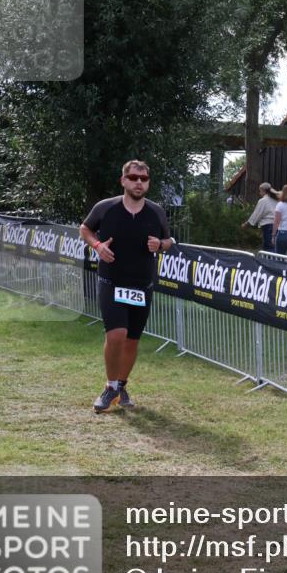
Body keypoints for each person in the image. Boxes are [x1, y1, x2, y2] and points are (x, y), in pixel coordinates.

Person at [80, 160, 172, 413]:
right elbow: (85, 228)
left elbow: (169, 239)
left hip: (142, 284)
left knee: (132, 340)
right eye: (133, 177)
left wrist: (160, 245)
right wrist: (98, 246)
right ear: (123, 181)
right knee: (116, 334)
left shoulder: (156, 212)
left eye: (143, 178)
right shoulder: (106, 208)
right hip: (112, 281)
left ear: (148, 183)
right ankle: (110, 387)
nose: (138, 182)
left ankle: (121, 385)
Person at [242, 181, 280, 252]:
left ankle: (269, 262)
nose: (259, 193)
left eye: (260, 191)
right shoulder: (276, 200)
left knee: (269, 247)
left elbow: (256, 214)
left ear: (263, 191)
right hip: (278, 226)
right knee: (276, 247)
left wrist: (246, 224)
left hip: (269, 226)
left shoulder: (263, 201)